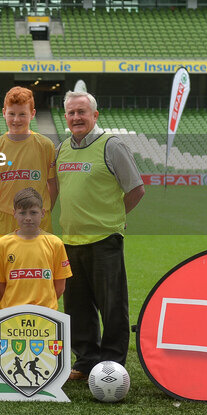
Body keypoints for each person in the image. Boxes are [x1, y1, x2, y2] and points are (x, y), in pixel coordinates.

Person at [56, 90, 144, 379]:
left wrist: (114, 219)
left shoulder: (112, 145)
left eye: (82, 112)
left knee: (112, 306)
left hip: (105, 240)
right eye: (71, 113)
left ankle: (113, 364)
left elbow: (135, 189)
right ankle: (85, 361)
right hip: (70, 241)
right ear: (66, 117)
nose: (76, 117)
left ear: (95, 115)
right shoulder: (62, 149)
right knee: (77, 307)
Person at [0, 86, 59, 236]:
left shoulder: (45, 145)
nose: (16, 119)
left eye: (22, 114)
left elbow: (52, 183)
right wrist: (10, 206)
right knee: (7, 258)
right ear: (3, 113)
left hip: (39, 217)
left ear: (32, 114)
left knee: (41, 258)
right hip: (8, 217)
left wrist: (42, 210)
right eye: (11, 113)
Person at [0, 188, 71, 310]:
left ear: (43, 213)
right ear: (14, 213)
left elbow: (60, 286)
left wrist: (45, 306)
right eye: (23, 213)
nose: (28, 217)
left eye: (33, 212)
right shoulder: (2, 245)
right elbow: (0, 284)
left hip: (45, 313)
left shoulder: (55, 243)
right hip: (12, 312)